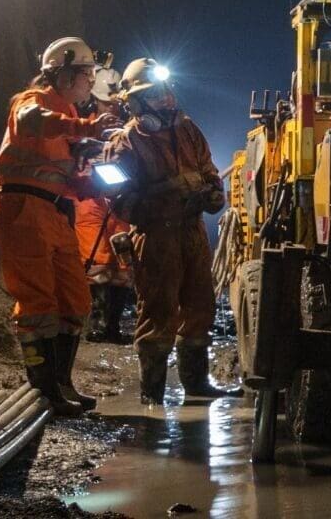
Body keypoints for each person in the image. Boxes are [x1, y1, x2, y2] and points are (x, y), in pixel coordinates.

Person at [0, 36, 120, 416]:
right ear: (61, 74)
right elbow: (33, 123)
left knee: (75, 300)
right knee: (38, 301)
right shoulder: (32, 102)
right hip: (23, 209)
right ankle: (44, 391)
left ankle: (62, 383)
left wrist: (104, 184)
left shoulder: (71, 119)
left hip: (56, 213)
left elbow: (68, 180)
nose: (90, 81)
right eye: (85, 73)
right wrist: (88, 129)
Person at [100, 58, 235, 403]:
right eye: (157, 95)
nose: (167, 101)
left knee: (199, 304)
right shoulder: (125, 143)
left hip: (192, 233)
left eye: (167, 92)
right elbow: (119, 200)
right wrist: (168, 199)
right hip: (155, 237)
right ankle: (153, 394)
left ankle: (196, 385)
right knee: (158, 311)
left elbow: (208, 170)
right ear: (136, 102)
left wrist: (213, 194)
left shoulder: (188, 131)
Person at [76, 197, 135, 343]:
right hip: (93, 202)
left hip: (123, 202)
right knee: (97, 262)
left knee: (123, 267)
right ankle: (97, 326)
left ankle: (112, 327)